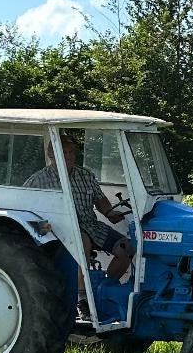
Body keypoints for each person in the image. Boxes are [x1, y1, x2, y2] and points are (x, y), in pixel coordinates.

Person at [23, 132, 135, 319]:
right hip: (62, 230)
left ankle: (103, 290)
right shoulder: (38, 181)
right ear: (52, 155)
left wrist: (110, 212)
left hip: (92, 225)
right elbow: (25, 210)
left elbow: (100, 201)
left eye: (71, 152)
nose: (68, 156)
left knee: (127, 248)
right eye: (63, 152)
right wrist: (43, 229)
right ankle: (81, 300)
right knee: (81, 242)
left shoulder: (85, 175)